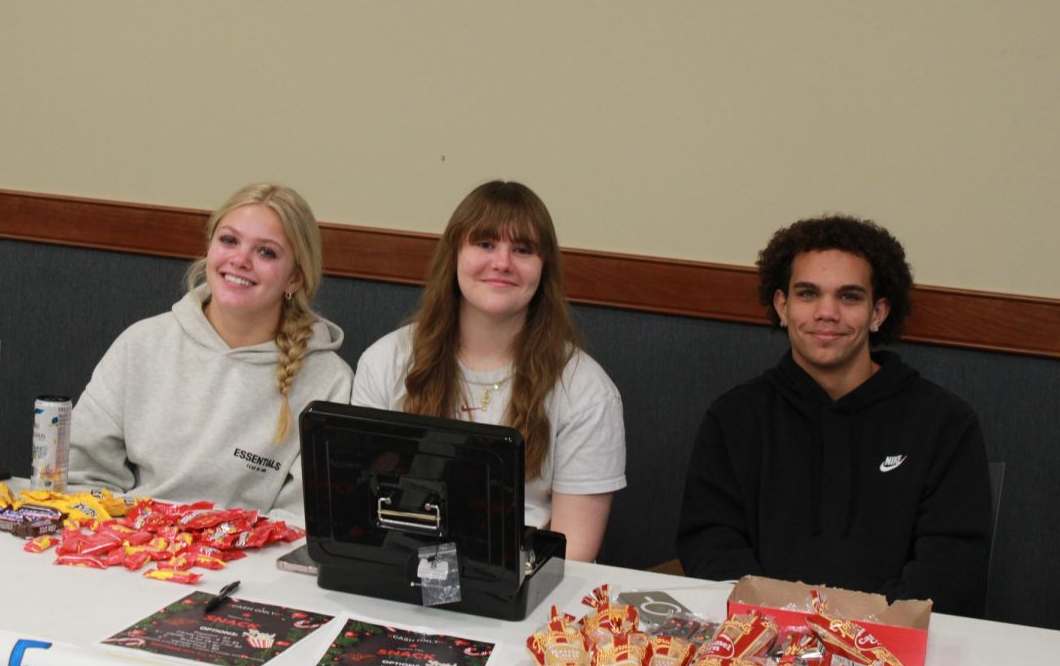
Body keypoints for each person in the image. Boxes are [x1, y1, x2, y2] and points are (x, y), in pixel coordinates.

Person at [676, 214, 991, 617]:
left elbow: (952, 567)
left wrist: (862, 633)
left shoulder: (945, 423)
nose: (827, 312)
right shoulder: (735, 417)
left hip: (896, 654)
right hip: (759, 645)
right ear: (782, 306)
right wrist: (779, 625)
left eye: (849, 297)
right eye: (807, 294)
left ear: (878, 312)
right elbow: (710, 542)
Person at [351, 180, 626, 562]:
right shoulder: (385, 361)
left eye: (523, 249)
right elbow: (362, 513)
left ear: (543, 269)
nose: (502, 263)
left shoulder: (587, 391)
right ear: (454, 255)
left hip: (524, 590)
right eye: (484, 244)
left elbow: (573, 557)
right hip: (399, 572)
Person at [69, 182, 352, 521]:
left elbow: (303, 520)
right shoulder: (141, 344)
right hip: (132, 553)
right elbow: (80, 474)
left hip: (250, 566)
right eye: (229, 240)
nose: (240, 260)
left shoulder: (330, 381)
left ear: (294, 279)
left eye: (266, 252)